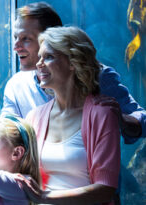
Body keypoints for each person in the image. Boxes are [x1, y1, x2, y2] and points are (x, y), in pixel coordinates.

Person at [0, 2, 145, 144]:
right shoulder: (16, 85)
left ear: (52, 38)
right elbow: (7, 136)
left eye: (26, 39)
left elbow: (141, 121)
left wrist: (118, 119)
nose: (16, 47)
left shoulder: (97, 76)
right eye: (15, 38)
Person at [19, 26, 120, 204]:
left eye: (48, 57)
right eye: (39, 57)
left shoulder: (102, 114)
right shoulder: (34, 117)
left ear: (73, 63)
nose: (39, 64)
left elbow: (105, 189)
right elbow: (15, 165)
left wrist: (44, 196)